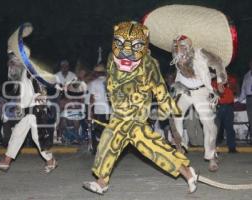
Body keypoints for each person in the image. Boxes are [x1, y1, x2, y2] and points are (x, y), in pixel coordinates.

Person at [83, 21, 198, 195]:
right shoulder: (111, 59)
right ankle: (102, 181)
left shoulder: (149, 63)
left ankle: (188, 172)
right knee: (108, 145)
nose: (126, 51)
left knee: (153, 149)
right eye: (121, 44)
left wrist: (166, 106)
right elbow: (110, 83)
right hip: (120, 114)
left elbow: (159, 87)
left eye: (134, 45)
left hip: (136, 115)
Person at [0, 24, 57, 173]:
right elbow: (24, 93)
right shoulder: (22, 74)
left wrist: (42, 100)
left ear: (20, 59)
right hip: (27, 110)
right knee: (17, 134)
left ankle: (51, 160)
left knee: (37, 138)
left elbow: (42, 87)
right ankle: (6, 162)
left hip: (35, 110)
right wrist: (20, 106)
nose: (10, 62)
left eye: (12, 59)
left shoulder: (31, 72)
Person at [170, 35, 227, 172]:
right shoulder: (177, 57)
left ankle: (211, 156)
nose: (180, 50)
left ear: (188, 47)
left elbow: (218, 62)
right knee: (175, 115)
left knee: (208, 123)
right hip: (184, 92)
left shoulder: (200, 53)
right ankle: (180, 148)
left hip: (201, 92)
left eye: (182, 47)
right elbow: (178, 76)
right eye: (177, 48)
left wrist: (220, 81)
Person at [87, 64, 111, 154]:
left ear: (96, 73)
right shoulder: (110, 82)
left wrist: (90, 112)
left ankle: (99, 149)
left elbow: (92, 99)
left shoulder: (94, 83)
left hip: (99, 111)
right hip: (110, 111)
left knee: (98, 130)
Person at [212, 73, 238, 153]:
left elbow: (235, 90)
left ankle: (232, 147)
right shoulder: (213, 81)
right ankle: (214, 148)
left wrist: (227, 84)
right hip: (218, 107)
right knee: (215, 128)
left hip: (229, 106)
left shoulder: (231, 79)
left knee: (229, 127)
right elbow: (214, 94)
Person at [237, 60, 252, 140]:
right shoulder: (246, 75)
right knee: (251, 119)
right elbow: (243, 90)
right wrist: (239, 101)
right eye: (250, 64)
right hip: (249, 99)